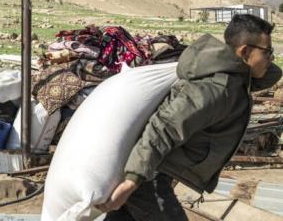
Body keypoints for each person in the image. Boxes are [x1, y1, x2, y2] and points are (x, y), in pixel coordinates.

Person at [98, 14, 282, 220]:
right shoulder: (214, 89)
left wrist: (250, 58)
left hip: (153, 172)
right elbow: (164, 127)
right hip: (149, 176)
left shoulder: (237, 80)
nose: (271, 58)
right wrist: (132, 180)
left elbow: (273, 75)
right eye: (268, 52)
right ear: (245, 51)